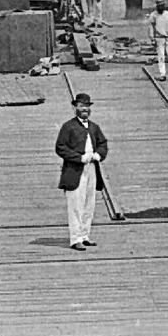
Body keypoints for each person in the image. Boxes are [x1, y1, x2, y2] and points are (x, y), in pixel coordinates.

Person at [55, 92, 109, 251]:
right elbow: (60, 148)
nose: (84, 109)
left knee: (89, 204)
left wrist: (99, 154)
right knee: (76, 205)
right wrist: (79, 158)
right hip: (74, 170)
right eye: (81, 106)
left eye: (86, 106)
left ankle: (85, 235)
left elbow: (103, 143)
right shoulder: (68, 127)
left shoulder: (94, 127)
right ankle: (75, 239)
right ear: (75, 108)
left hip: (91, 168)